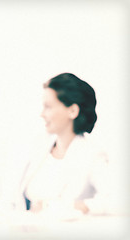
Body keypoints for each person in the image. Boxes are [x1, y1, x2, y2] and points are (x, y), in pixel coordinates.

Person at [16, 73, 111, 215]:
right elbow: (14, 198)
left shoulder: (92, 155)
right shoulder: (39, 147)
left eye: (48, 107)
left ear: (72, 111)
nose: (42, 114)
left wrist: (77, 207)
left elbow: (117, 201)